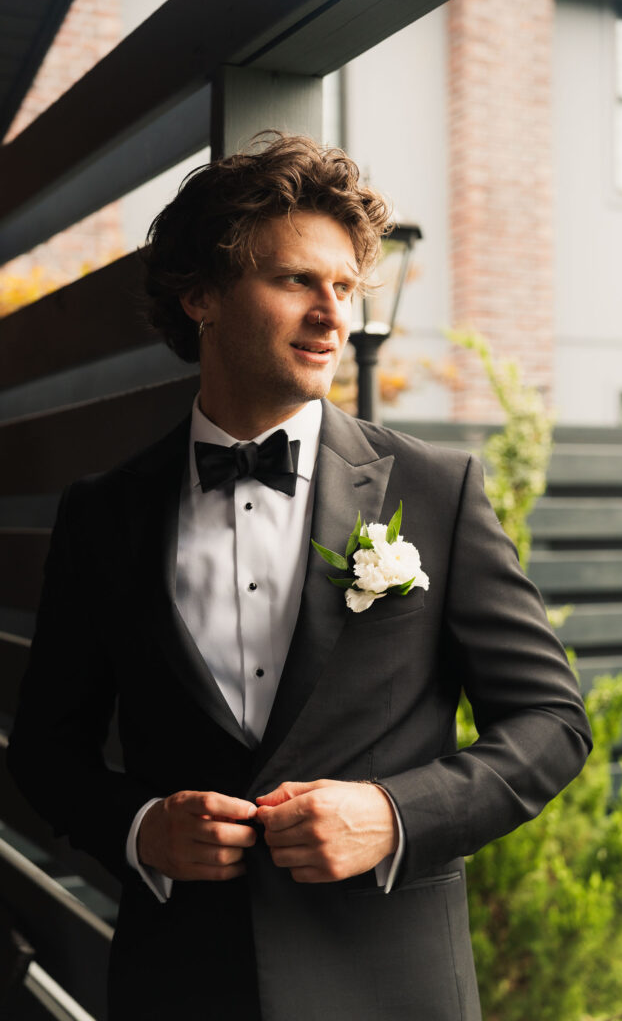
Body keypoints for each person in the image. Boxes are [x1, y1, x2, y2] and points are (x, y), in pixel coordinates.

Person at [8, 133, 592, 1021]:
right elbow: (49, 751)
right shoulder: (104, 515)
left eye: (345, 288)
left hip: (393, 986)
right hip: (179, 986)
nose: (333, 316)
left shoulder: (437, 488)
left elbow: (551, 724)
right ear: (199, 293)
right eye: (294, 282)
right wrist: (138, 829)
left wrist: (393, 814)